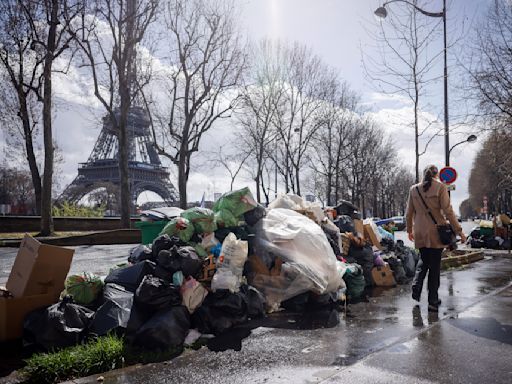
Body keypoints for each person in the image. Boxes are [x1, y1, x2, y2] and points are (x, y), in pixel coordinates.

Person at [405, 165, 467, 312]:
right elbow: (448, 212)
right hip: (436, 232)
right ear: (436, 175)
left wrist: (409, 230)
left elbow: (408, 213)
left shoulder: (414, 189)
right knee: (434, 267)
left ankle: (416, 284)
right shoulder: (440, 187)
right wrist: (459, 232)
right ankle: (433, 300)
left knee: (424, 259)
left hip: (419, 231)